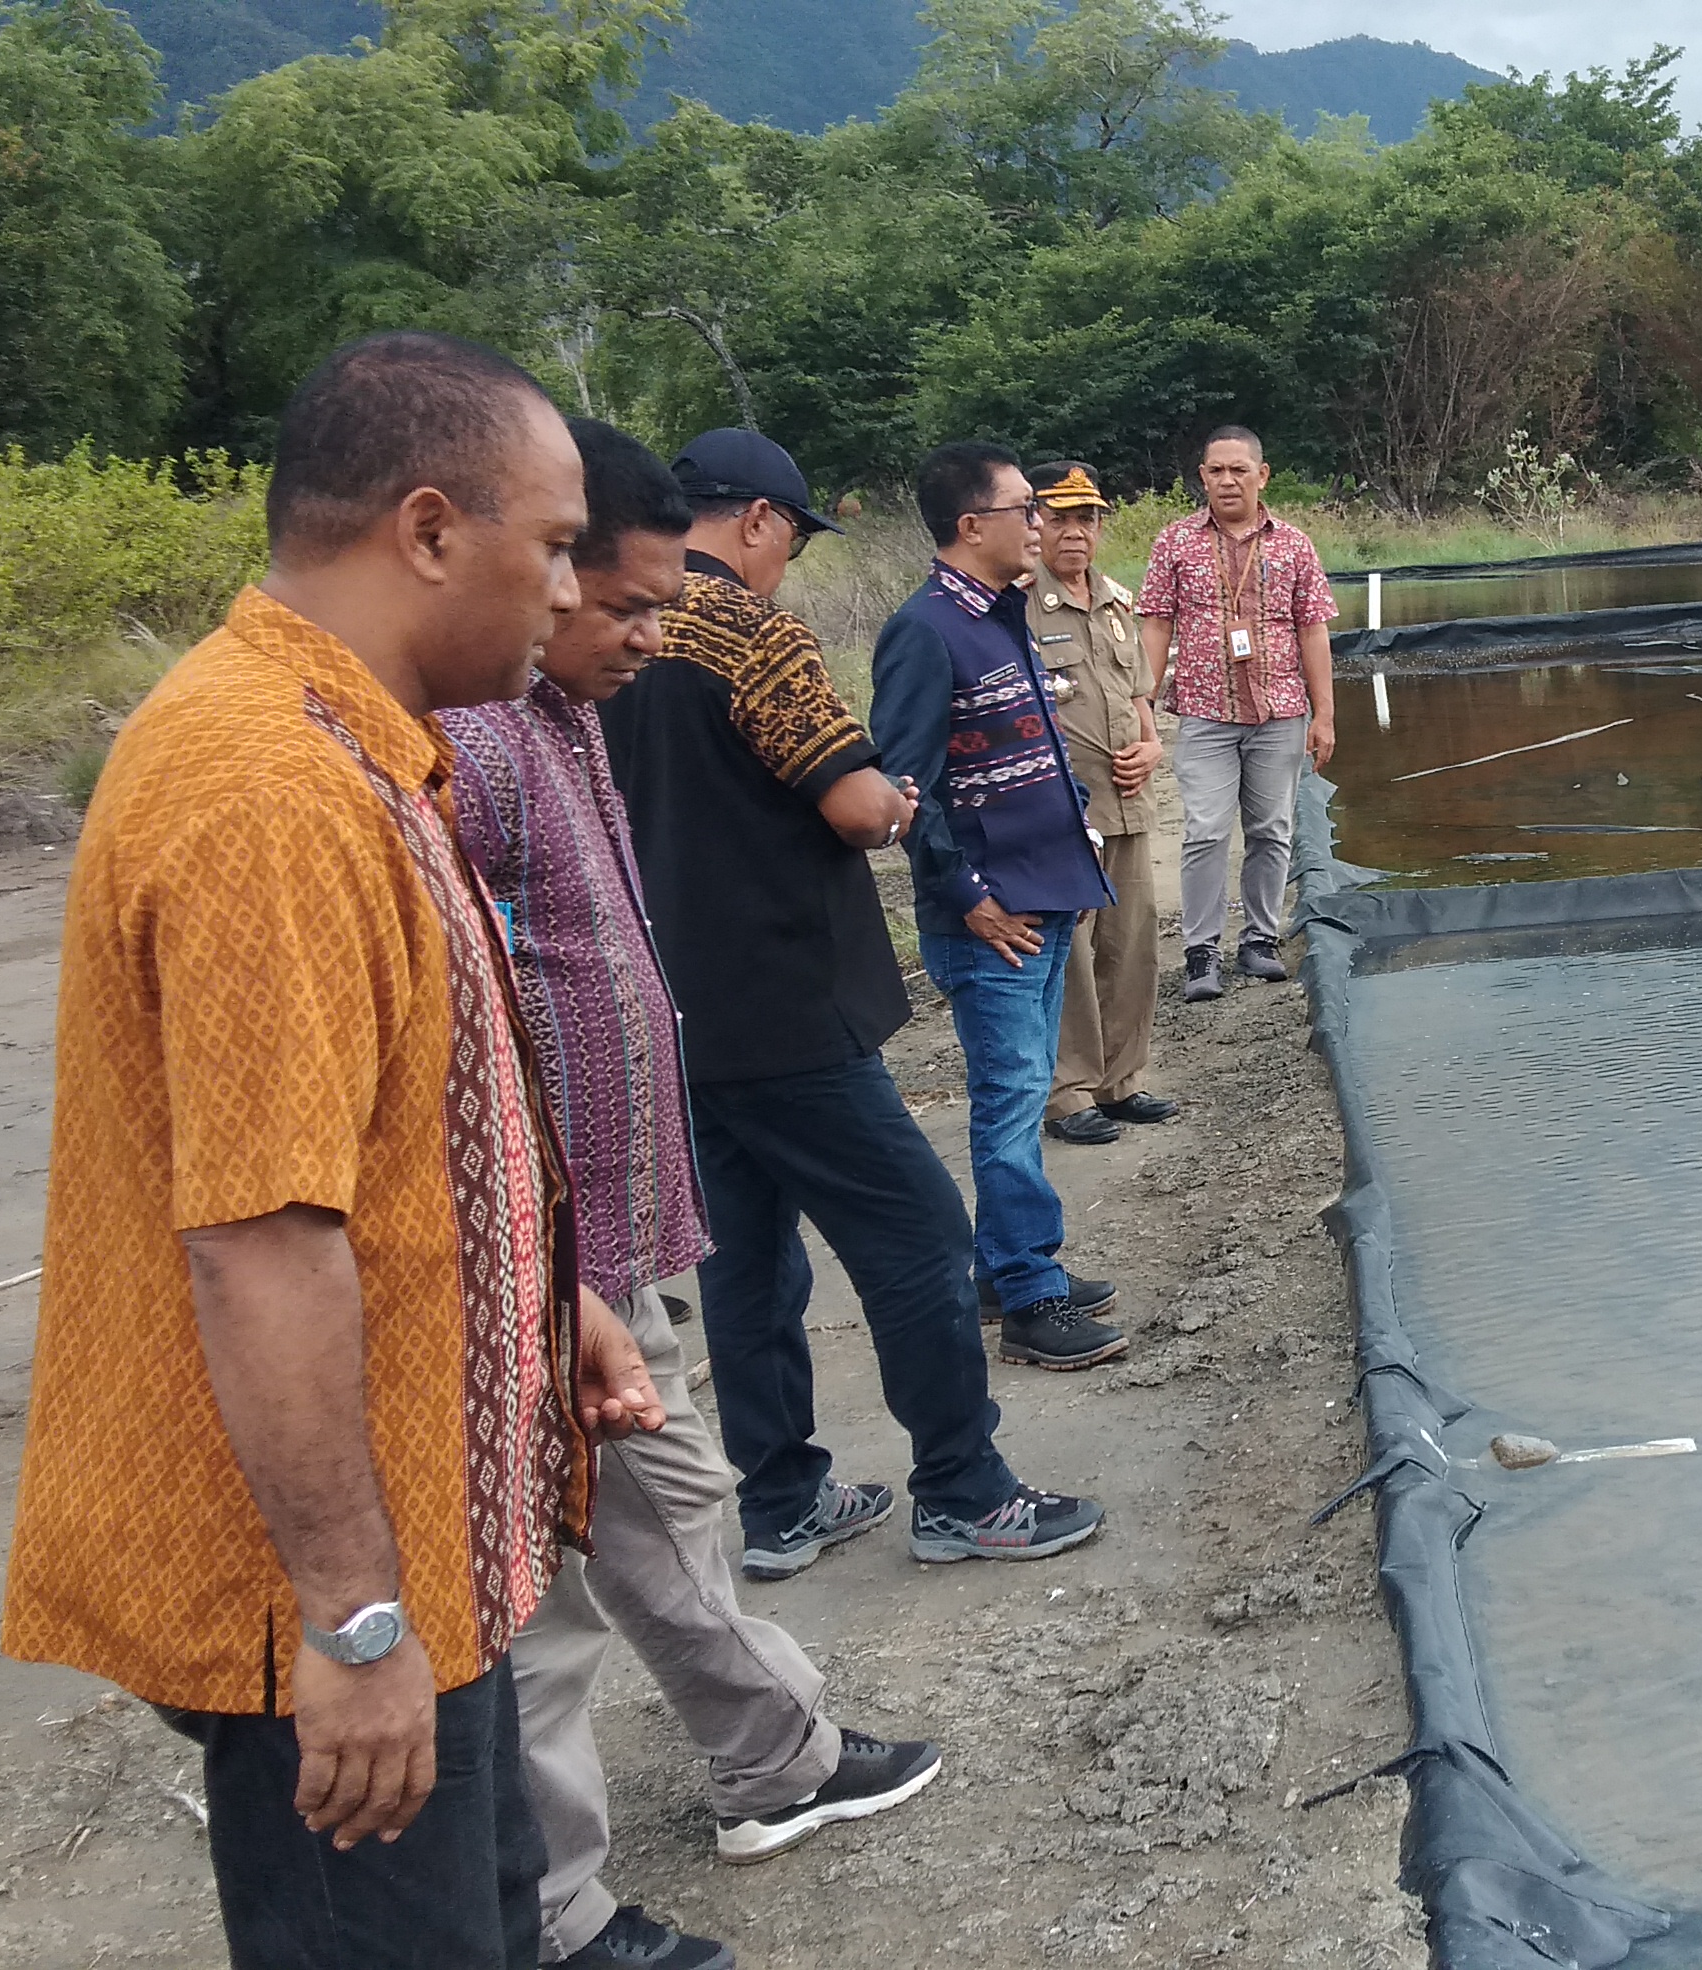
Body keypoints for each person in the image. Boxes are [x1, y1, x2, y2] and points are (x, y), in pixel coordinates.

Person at [4, 331, 671, 1969]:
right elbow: (261, 1240)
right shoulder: (270, 795)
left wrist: (547, 1295)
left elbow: (393, 1122)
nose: (568, 590)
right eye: (556, 546)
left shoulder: (356, 748)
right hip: (346, 1585)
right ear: (430, 530)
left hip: (430, 1532)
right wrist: (356, 1626)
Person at [441, 420, 945, 1970]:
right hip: (541, 1241)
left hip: (602, 1230)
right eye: (623, 602)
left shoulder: (571, 716)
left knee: (669, 1511)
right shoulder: (462, 748)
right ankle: (546, 1908)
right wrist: (546, 1261)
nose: (658, 635)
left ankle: (771, 1756)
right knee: (548, 1590)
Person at [598, 427, 1114, 1580]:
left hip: (672, 1003)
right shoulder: (747, 631)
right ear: (757, 521)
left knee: (746, 1261)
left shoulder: (607, 631)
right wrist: (895, 805)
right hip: (787, 997)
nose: (786, 563)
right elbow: (856, 803)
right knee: (920, 1237)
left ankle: (782, 1504)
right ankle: (964, 1492)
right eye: (791, 539)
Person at [869, 442, 1127, 1353]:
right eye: (1026, 508)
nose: (1042, 523)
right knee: (1012, 1103)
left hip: (1045, 894)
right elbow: (906, 787)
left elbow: (1040, 747)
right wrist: (967, 896)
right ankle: (1028, 1295)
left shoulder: (1004, 613)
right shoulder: (926, 630)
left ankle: (1003, 1265)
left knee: (1023, 1088)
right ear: (971, 524)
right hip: (993, 919)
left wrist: (1075, 849)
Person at [1133, 424, 1337, 1003]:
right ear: (1203, 477)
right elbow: (1156, 625)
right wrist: (1142, 704)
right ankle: (1201, 950)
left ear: (1261, 475)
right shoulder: (1175, 542)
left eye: (1238, 470)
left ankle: (1260, 939)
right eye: (1216, 470)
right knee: (1204, 830)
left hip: (1279, 712)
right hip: (1205, 712)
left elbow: (1313, 630)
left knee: (1272, 830)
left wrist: (1324, 714)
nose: (1227, 480)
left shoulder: (1293, 545)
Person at [1018, 461, 1176, 1147]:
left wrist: (1153, 747)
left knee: (1131, 946)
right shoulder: (1017, 604)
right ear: (1033, 524)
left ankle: (1122, 1080)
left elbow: (1139, 694)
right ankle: (1069, 1092)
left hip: (1127, 801)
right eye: (1059, 518)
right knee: (1073, 956)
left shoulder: (1116, 601)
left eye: (1086, 519)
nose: (1075, 532)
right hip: (1061, 811)